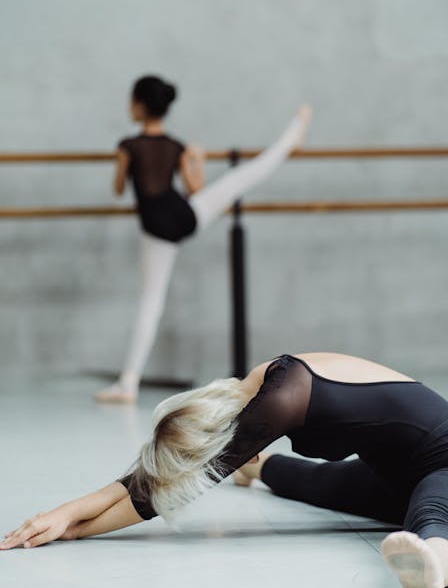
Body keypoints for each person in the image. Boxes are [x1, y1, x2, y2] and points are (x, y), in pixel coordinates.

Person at [2, 353, 448, 588]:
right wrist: (69, 516)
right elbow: (154, 479)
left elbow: (152, 495)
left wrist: (73, 523)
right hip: (388, 477)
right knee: (317, 482)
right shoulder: (266, 382)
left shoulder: (277, 403)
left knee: (435, 517)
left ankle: (431, 567)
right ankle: (260, 470)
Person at [95, 75, 312, 402]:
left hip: (158, 229)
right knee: (239, 179)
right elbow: (196, 190)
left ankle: (127, 385)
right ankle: (289, 139)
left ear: (139, 105)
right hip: (185, 216)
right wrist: (197, 159)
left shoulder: (127, 146)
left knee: (151, 301)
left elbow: (117, 189)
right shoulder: (177, 147)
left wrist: (123, 165)